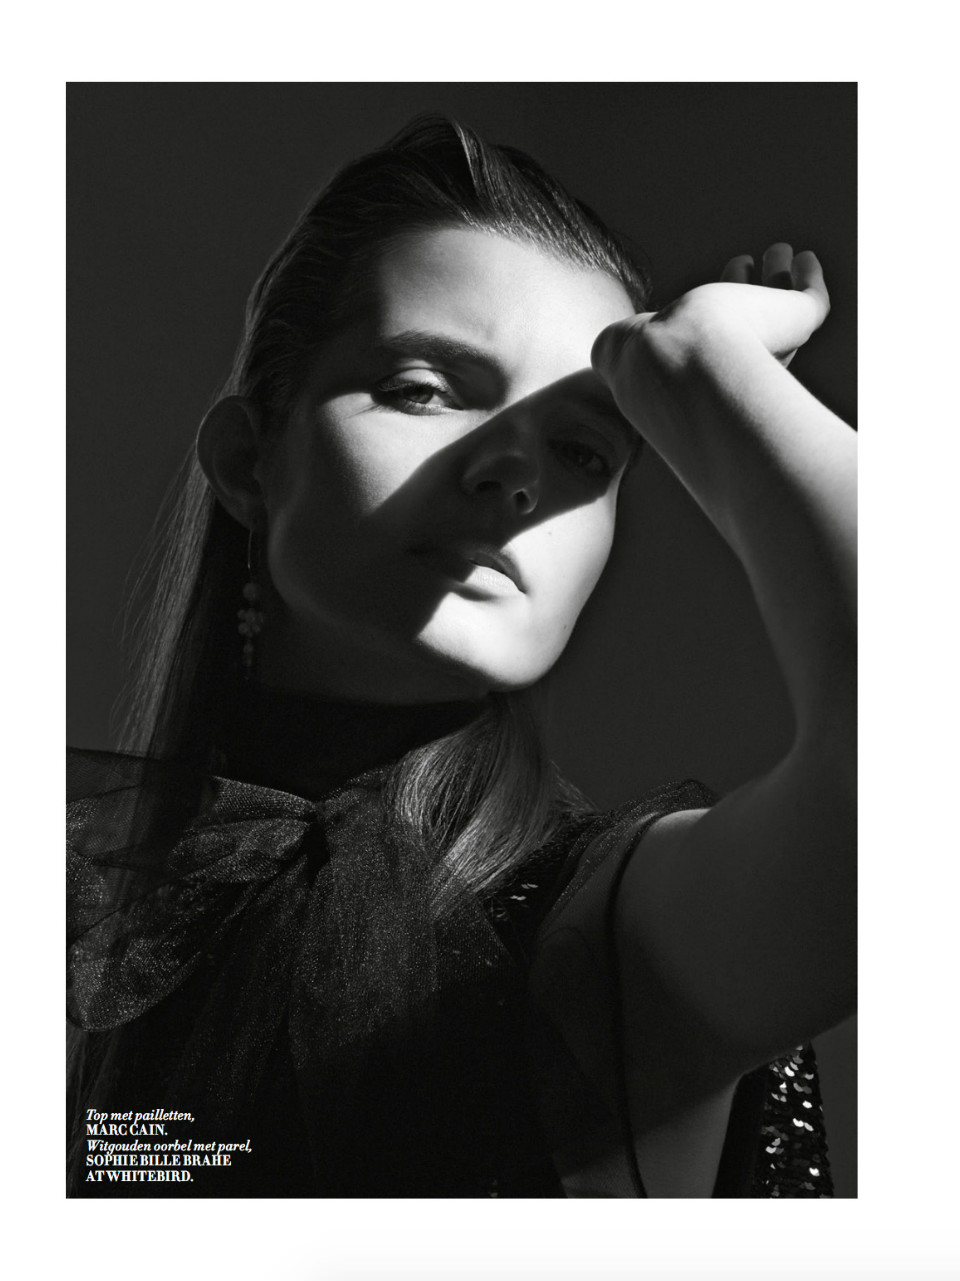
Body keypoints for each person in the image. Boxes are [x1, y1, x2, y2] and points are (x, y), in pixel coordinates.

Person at [67, 114, 855, 1198]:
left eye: (584, 449)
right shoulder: (73, 918)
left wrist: (712, 370)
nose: (515, 472)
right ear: (251, 463)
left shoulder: (627, 938)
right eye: (425, 390)